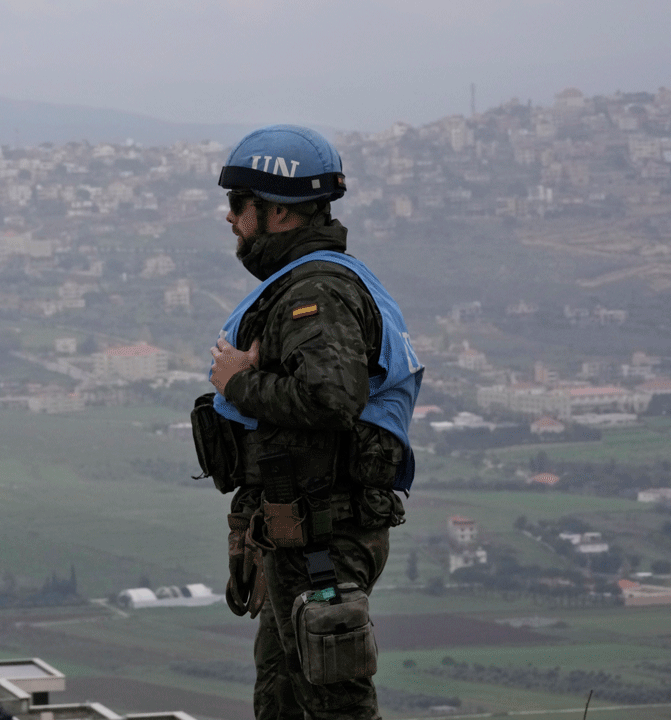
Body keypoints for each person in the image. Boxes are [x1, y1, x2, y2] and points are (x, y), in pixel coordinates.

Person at [202, 125, 422, 720]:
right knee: (282, 698)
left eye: (236, 204)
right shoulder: (310, 282)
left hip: (325, 536)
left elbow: (332, 399)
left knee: (333, 704)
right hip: (300, 534)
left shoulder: (317, 291)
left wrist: (238, 383)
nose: (228, 218)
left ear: (276, 213)